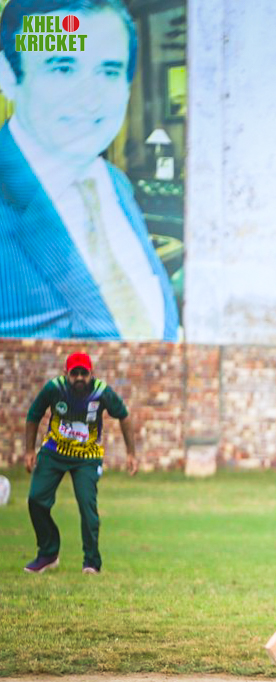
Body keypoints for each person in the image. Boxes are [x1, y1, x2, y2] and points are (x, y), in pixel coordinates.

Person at [0, 0, 179, 340]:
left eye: (109, 72)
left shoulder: (114, 182)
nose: (90, 100)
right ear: (8, 76)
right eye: (62, 68)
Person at [23, 351, 137, 574]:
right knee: (36, 499)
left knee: (87, 507)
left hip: (87, 457)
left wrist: (131, 453)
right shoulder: (54, 389)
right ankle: (48, 553)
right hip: (54, 452)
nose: (79, 378)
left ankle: (91, 562)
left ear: (91, 373)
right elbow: (33, 415)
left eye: (83, 373)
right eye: (74, 373)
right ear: (66, 373)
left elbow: (123, 415)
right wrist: (29, 450)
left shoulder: (101, 392)